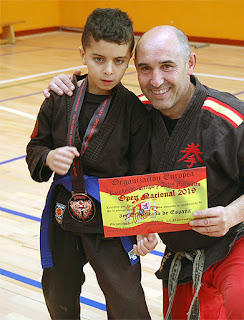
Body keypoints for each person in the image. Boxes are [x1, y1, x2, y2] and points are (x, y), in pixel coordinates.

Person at [44, 25, 244, 320]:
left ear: (190, 64)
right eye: (145, 69)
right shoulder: (135, 113)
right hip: (183, 253)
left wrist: (230, 215)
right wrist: (68, 84)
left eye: (167, 67)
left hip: (238, 237)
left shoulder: (230, 118)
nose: (156, 80)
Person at [26, 8, 158, 320]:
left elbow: (142, 174)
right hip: (65, 210)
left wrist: (144, 224)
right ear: (82, 53)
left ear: (130, 59)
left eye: (119, 61)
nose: (109, 70)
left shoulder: (135, 113)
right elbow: (35, 146)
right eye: (99, 59)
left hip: (114, 214)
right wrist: (47, 157)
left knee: (126, 299)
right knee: (58, 290)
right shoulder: (60, 97)